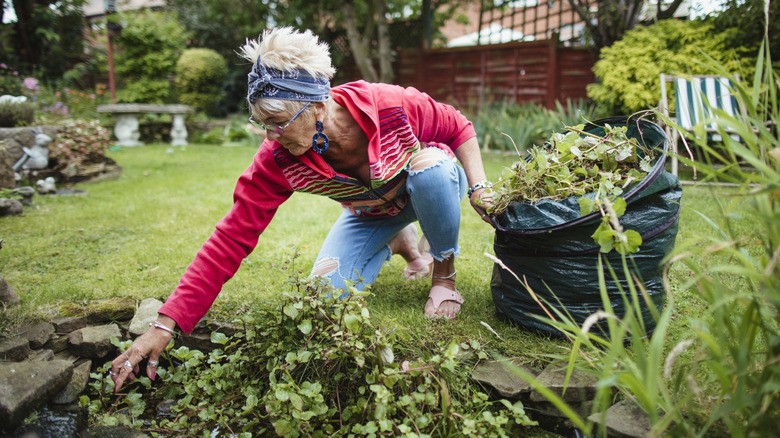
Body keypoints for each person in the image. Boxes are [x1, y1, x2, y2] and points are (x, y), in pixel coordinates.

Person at [110, 27, 493, 391]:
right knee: (323, 301)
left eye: (277, 122)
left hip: (429, 185)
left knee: (432, 171)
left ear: (317, 106)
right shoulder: (277, 158)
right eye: (261, 123)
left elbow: (458, 127)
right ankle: (401, 241)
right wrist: (165, 324)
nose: (269, 136)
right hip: (371, 212)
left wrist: (478, 187)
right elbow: (230, 237)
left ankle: (443, 275)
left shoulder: (388, 103)